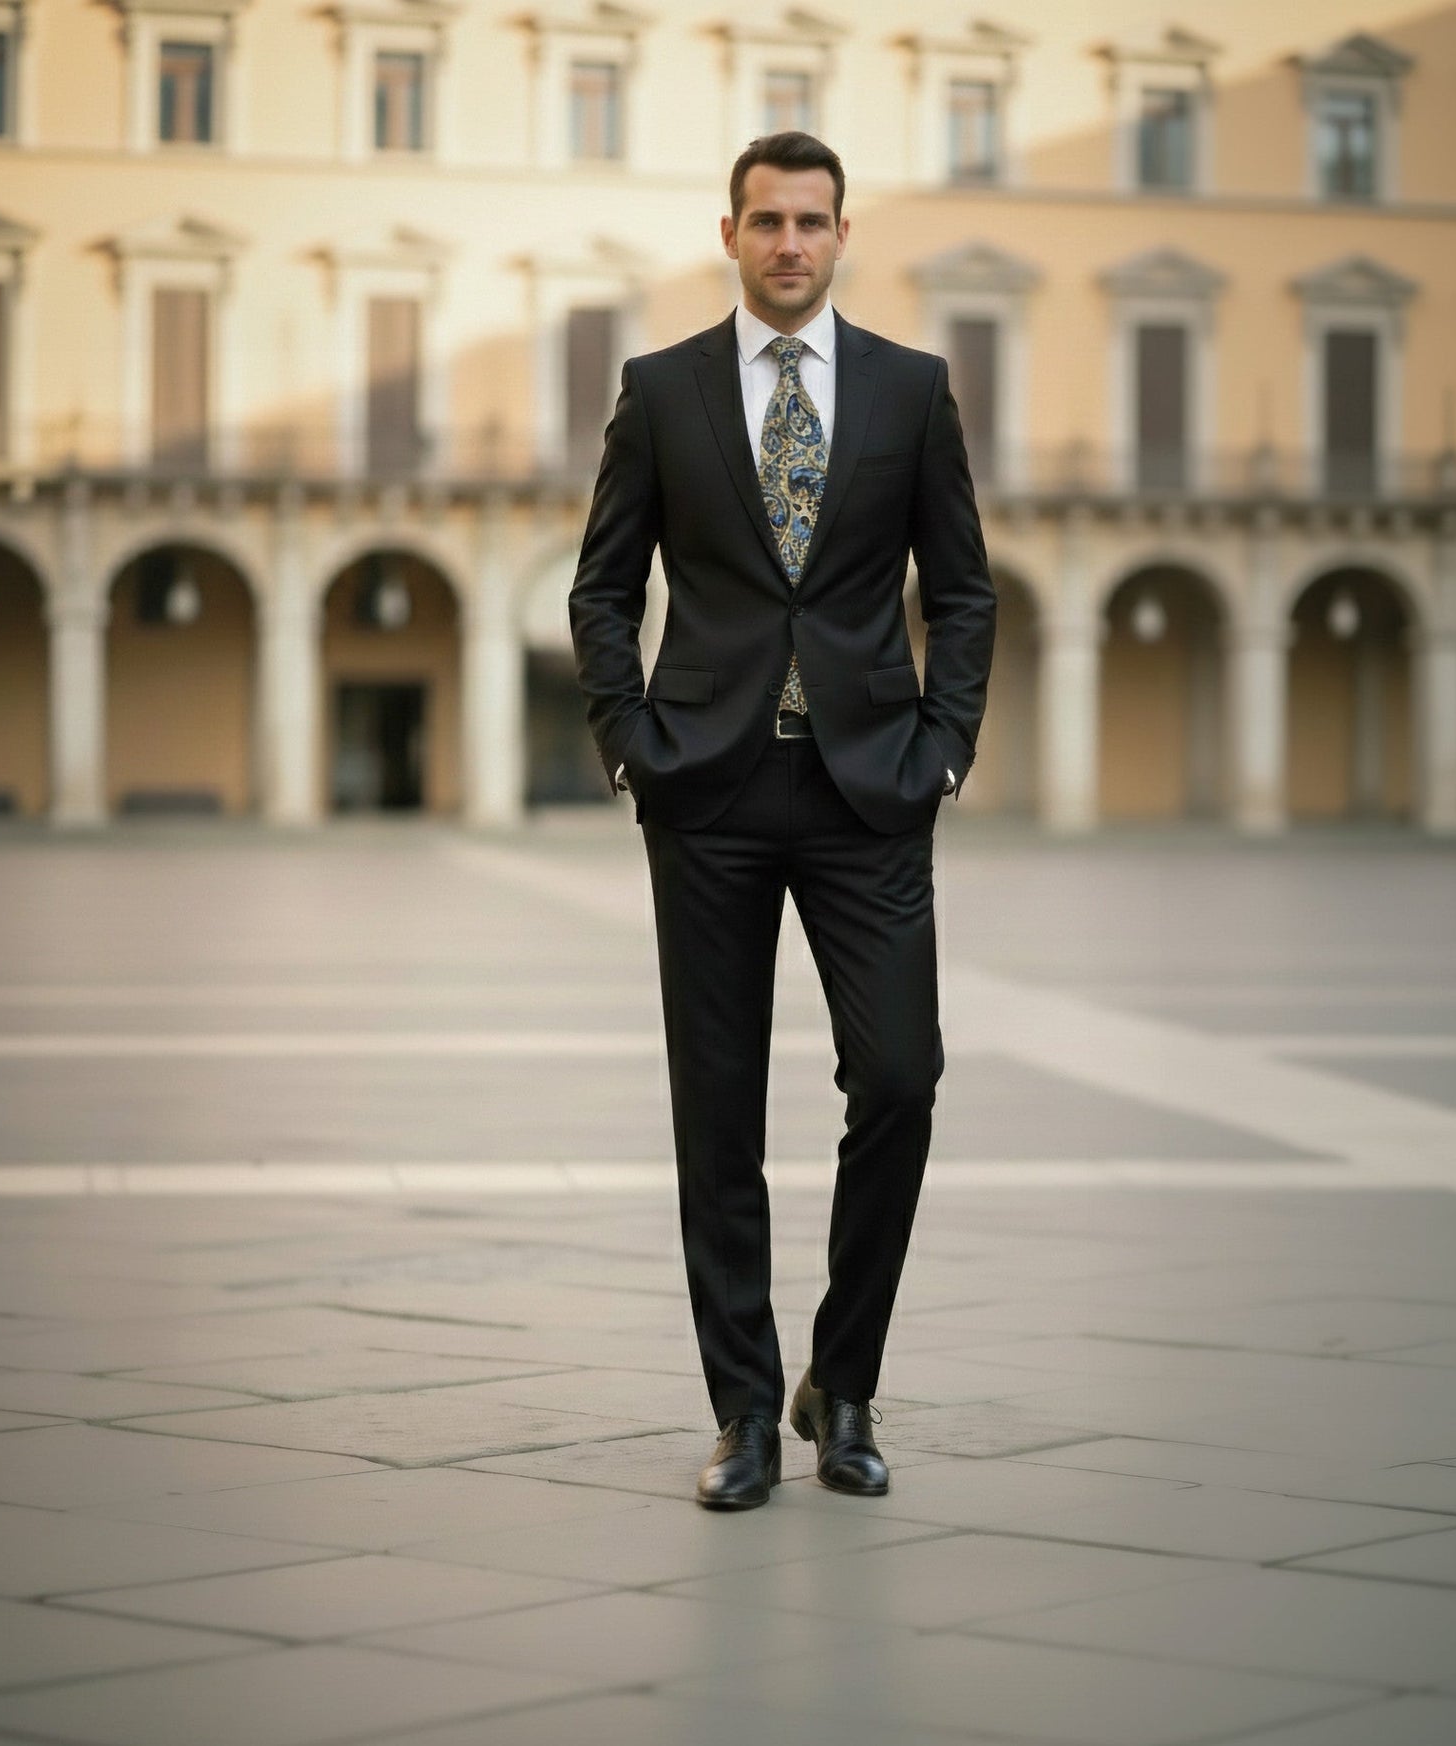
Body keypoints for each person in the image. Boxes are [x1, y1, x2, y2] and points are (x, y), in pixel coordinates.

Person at [568, 131, 996, 1510]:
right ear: (730, 233)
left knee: (900, 1079)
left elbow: (965, 590)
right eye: (767, 221)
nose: (790, 243)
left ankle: (844, 1379)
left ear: (841, 234)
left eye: (812, 221)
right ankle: (745, 1412)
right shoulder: (661, 391)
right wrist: (631, 739)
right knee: (716, 1112)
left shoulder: (912, 391)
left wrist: (943, 745)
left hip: (871, 785)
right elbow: (601, 587)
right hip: (709, 787)